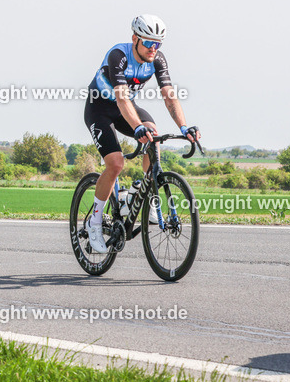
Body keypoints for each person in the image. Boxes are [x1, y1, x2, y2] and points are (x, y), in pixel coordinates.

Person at [83, 14, 201, 254]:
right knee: (115, 164)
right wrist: (137, 126)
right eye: (148, 43)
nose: (153, 48)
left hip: (126, 108)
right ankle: (94, 222)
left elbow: (169, 95)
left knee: (154, 137)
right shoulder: (118, 55)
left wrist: (183, 127)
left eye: (158, 44)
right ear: (135, 38)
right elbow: (122, 98)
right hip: (101, 109)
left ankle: (144, 191)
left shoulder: (157, 59)